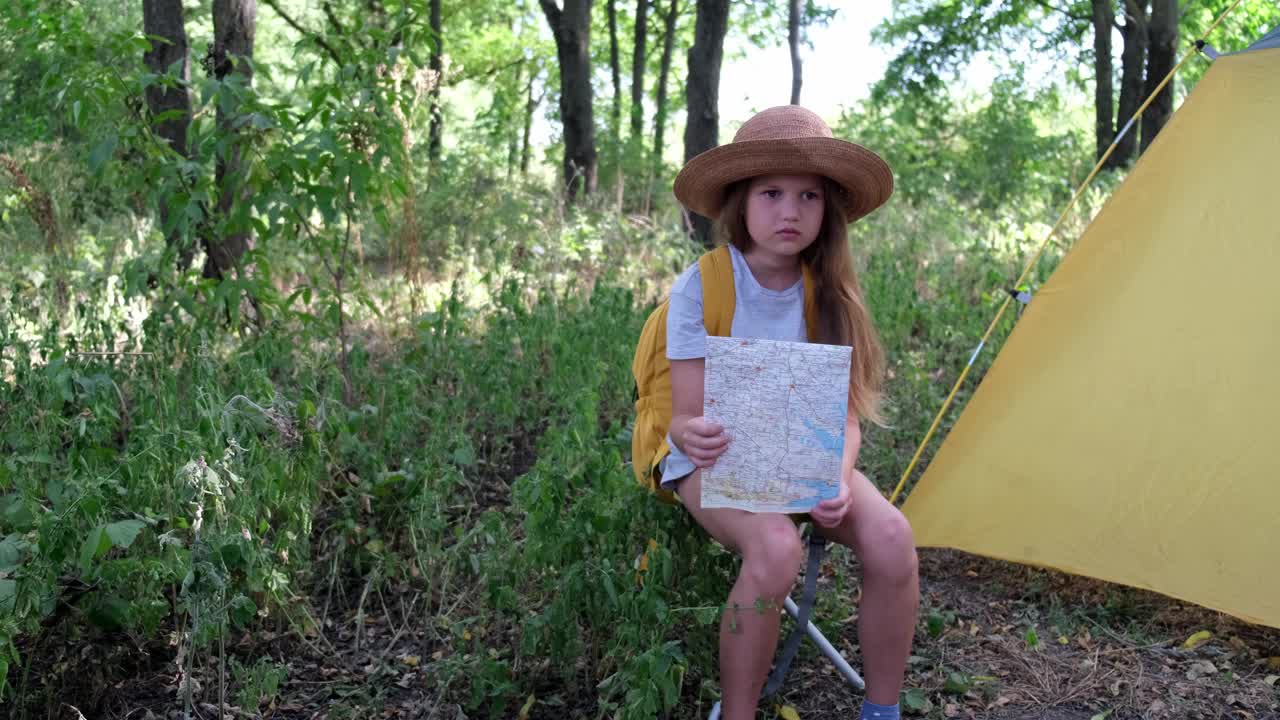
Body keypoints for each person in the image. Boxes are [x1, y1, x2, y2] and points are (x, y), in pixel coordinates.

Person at [663, 105, 919, 720]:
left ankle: (882, 708)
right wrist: (690, 436)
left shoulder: (829, 291)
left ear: (827, 208)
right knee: (776, 548)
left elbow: (845, 417)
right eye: (771, 193)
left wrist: (835, 476)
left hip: (807, 454)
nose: (790, 211)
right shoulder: (703, 286)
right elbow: (681, 415)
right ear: (739, 203)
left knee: (892, 538)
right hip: (720, 461)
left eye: (808, 196)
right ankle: (739, 711)